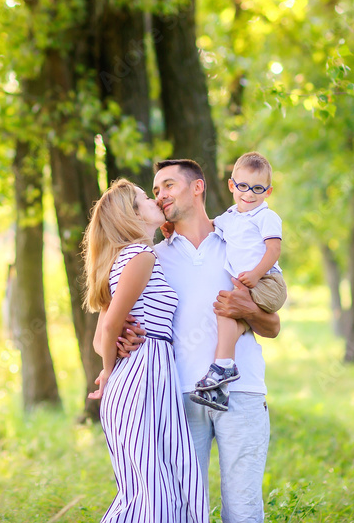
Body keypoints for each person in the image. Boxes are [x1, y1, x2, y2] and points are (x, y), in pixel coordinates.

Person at [118, 159, 280, 523]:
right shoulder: (152, 257)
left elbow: (273, 327)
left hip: (243, 391)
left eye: (168, 186)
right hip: (177, 398)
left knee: (243, 510)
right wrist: (124, 338)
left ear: (198, 187)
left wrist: (248, 309)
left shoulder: (239, 241)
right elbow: (131, 319)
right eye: (156, 190)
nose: (160, 196)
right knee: (184, 510)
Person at [83, 178, 208, 523]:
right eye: (145, 197)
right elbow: (106, 330)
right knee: (152, 492)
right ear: (133, 214)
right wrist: (108, 372)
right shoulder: (140, 256)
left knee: (152, 488)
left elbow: (103, 333)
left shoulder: (129, 257)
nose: (155, 200)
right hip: (142, 378)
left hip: (149, 376)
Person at [190, 152, 287, 412]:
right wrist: (172, 227)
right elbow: (208, 225)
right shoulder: (230, 217)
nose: (249, 193)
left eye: (258, 188)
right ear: (232, 185)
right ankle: (220, 386)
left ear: (268, 191)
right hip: (251, 284)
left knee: (227, 308)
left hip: (267, 281)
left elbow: (274, 251)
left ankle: (223, 366)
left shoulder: (266, 217)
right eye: (243, 186)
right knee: (229, 314)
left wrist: (255, 274)